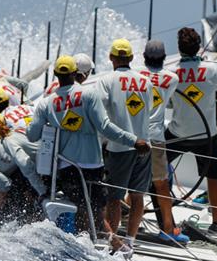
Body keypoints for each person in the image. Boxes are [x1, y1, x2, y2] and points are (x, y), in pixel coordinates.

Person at [26, 56, 149, 238]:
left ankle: (88, 241)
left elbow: (32, 135)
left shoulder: (46, 104)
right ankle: (111, 242)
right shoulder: (89, 94)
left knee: (82, 207)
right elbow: (105, 127)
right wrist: (133, 140)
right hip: (93, 165)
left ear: (56, 75)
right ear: (75, 73)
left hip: (67, 166)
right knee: (96, 208)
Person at [165, 27, 217, 234]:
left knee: (152, 166)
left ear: (179, 49)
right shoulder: (214, 70)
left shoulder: (171, 73)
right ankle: (216, 222)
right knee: (214, 175)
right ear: (199, 47)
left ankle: (129, 203)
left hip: (177, 133)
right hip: (206, 135)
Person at [95, 39, 154, 249]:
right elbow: (151, 108)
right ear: (130, 58)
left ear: (111, 57)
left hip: (119, 147)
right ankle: (130, 241)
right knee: (137, 196)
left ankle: (114, 243)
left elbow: (99, 112)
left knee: (114, 197)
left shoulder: (106, 80)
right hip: (144, 145)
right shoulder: (146, 82)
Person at [138, 39, 187, 242]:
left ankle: (120, 220)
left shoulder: (136, 75)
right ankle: (168, 228)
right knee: (161, 185)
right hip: (156, 138)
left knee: (128, 183)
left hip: (134, 136)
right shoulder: (172, 78)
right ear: (165, 58)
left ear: (144, 57)